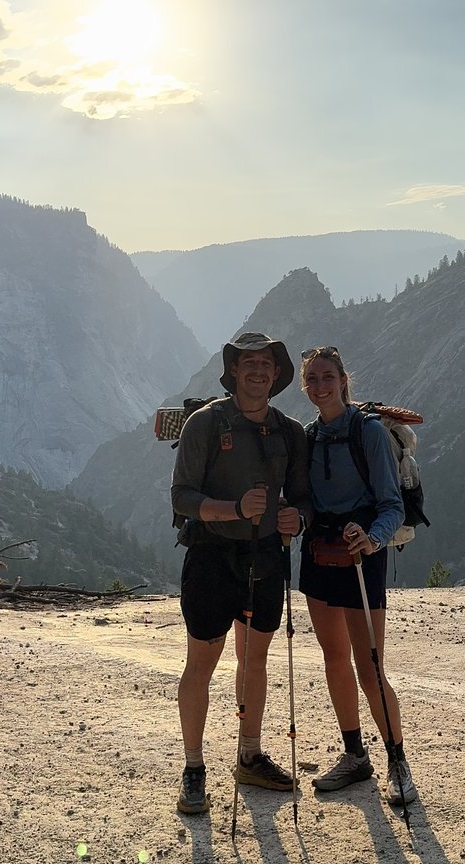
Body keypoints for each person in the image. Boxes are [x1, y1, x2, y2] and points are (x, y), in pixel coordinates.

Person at [168, 332, 310, 816]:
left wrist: (298, 518)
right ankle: (194, 769)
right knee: (202, 663)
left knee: (255, 660)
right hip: (211, 558)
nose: (257, 370)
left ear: (276, 374)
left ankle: (249, 754)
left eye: (266, 363)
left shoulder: (289, 432)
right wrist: (234, 509)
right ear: (233, 372)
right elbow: (181, 497)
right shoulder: (204, 424)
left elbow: (302, 496)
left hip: (266, 557)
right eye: (248, 362)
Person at [295, 346, 416, 807]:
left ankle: (397, 761)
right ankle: (354, 754)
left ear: (344, 379)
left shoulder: (366, 432)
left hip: (361, 553)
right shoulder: (309, 436)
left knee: (369, 667)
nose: (320, 386)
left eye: (327, 377)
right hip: (319, 551)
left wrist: (373, 538)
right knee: (333, 659)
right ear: (305, 386)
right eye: (312, 379)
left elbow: (392, 504)